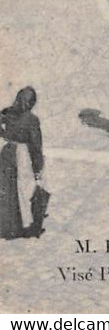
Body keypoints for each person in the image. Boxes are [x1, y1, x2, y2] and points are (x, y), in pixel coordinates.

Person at [0, 87, 46, 239]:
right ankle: (22, 227)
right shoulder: (32, 120)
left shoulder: (7, 113)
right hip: (22, 156)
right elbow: (36, 147)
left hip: (7, 152)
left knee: (7, 189)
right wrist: (38, 168)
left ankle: (7, 226)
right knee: (23, 192)